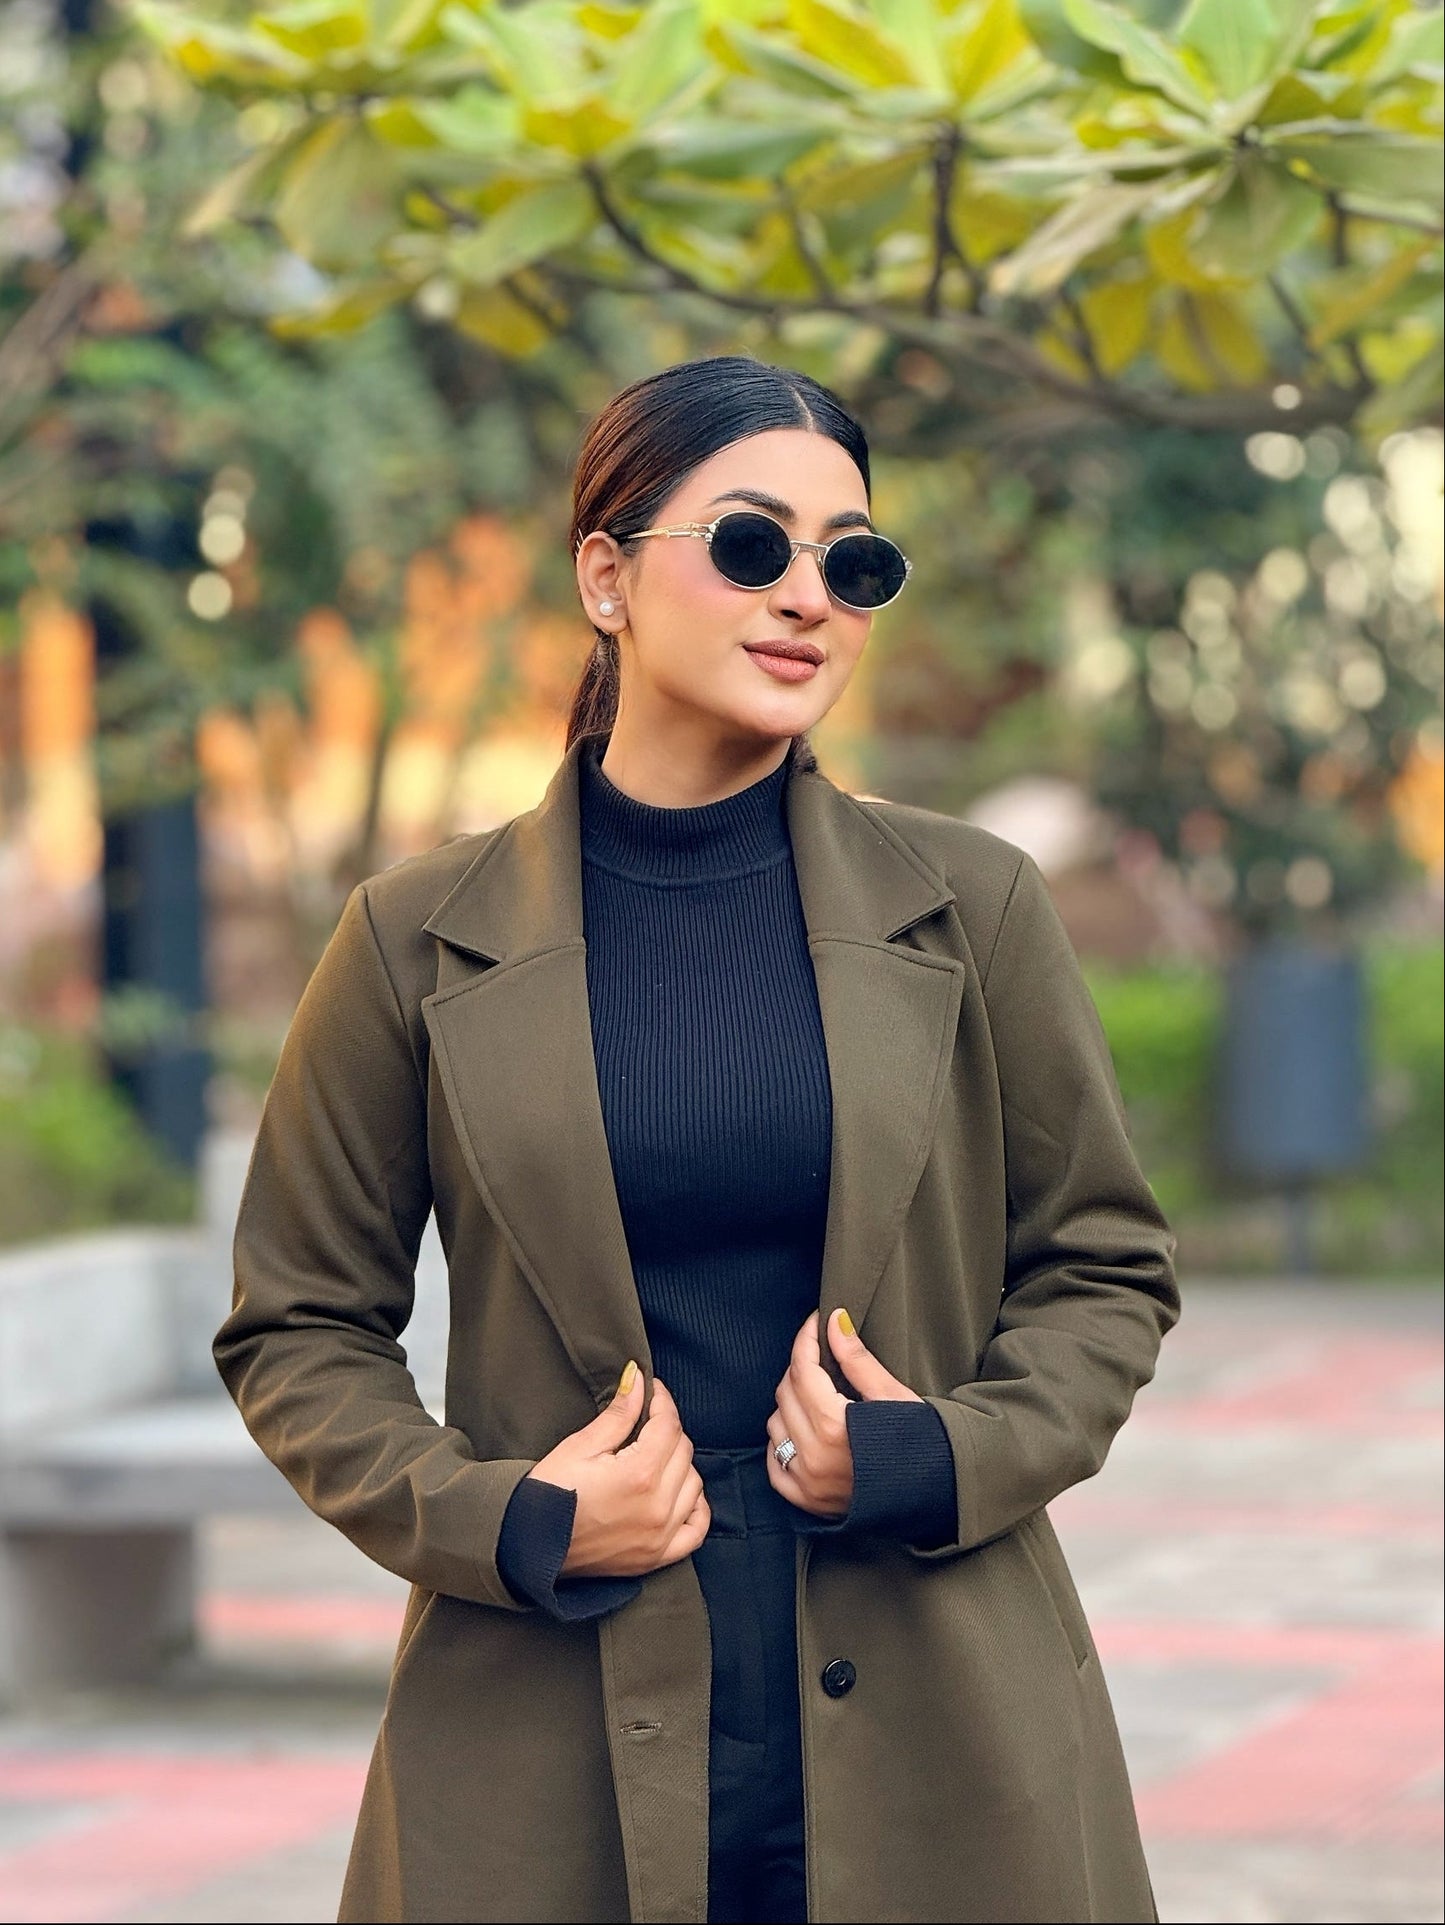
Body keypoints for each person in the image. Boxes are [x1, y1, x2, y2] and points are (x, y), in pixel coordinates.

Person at [215, 353, 1181, 1925]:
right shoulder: (414, 937)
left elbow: (1103, 1265)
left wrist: (946, 1450)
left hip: (942, 1705)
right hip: (546, 1719)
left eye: (849, 563)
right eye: (750, 544)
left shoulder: (973, 903)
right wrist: (505, 1514)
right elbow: (299, 1322)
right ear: (605, 574)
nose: (808, 594)